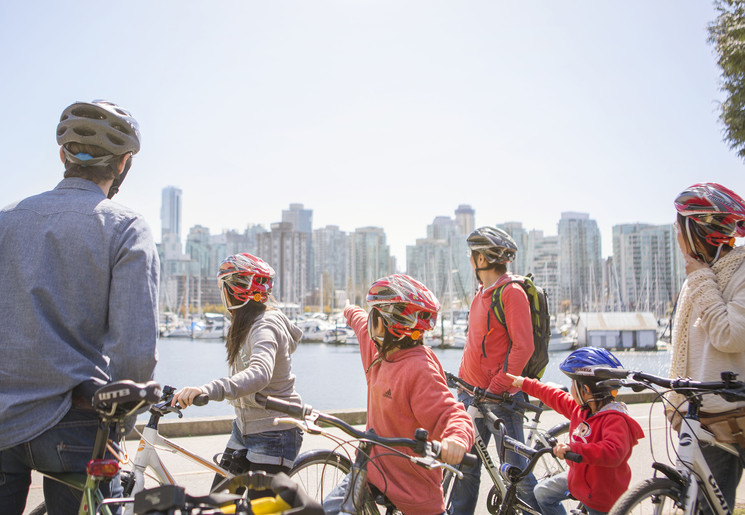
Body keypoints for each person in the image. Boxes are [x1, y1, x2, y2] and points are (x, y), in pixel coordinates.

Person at [0, 100, 159, 515]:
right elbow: (135, 356)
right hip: (76, 420)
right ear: (124, 164)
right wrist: (116, 427)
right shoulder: (126, 228)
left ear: (62, 156)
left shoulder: (5, 220)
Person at [323, 274, 474, 515]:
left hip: (412, 491)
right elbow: (359, 319)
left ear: (383, 323)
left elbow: (452, 413)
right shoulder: (376, 350)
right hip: (370, 472)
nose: (370, 318)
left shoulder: (419, 368)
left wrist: (455, 439)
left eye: (375, 313)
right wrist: (349, 309)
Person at [172, 253, 304, 498]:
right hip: (244, 428)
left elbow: (259, 373)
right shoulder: (246, 323)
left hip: (274, 431)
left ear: (233, 290)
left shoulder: (264, 325)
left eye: (222, 286)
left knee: (259, 510)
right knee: (218, 503)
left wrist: (208, 389)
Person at [667, 182, 745, 510]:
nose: (676, 233)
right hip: (702, 418)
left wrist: (700, 279)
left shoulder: (734, 272)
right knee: (698, 506)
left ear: (698, 229)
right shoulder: (698, 274)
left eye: (679, 225)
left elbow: (730, 335)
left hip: (733, 414)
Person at [451, 226, 539, 513]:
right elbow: (475, 345)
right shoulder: (481, 293)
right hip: (472, 397)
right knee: (465, 468)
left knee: (518, 476)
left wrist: (497, 387)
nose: (469, 260)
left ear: (481, 259)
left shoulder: (511, 292)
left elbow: (523, 348)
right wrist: (460, 383)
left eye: (472, 255)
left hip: (502, 400)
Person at [507, 347, 644, 515]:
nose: (570, 388)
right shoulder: (582, 409)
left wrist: (574, 449)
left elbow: (614, 451)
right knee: (542, 493)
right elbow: (555, 396)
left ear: (585, 390)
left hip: (602, 497)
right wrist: (525, 383)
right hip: (578, 481)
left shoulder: (615, 419)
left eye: (573, 384)